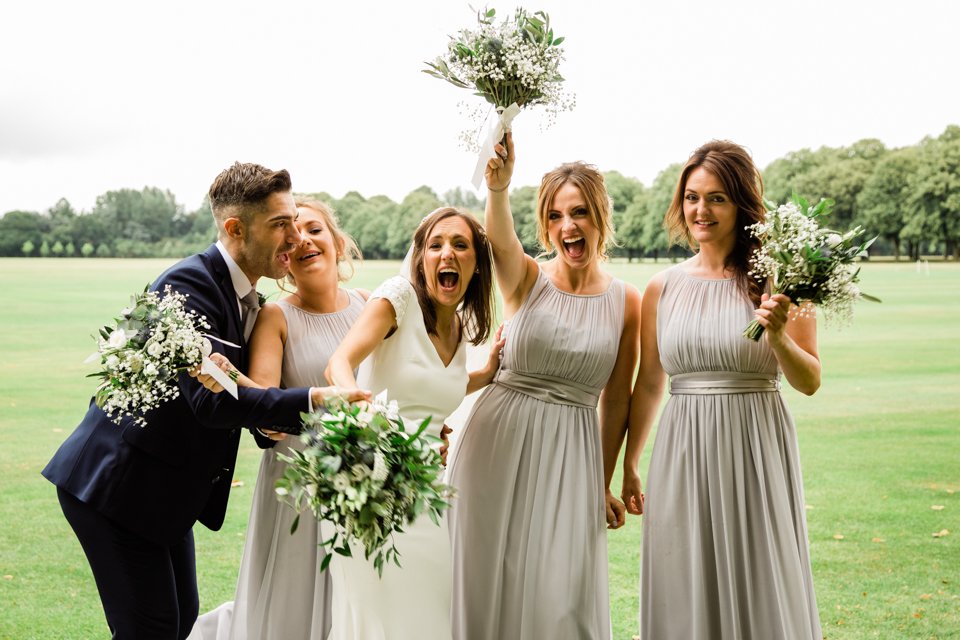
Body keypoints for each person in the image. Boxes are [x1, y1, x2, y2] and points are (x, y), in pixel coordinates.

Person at [42, 163, 367, 640]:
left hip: (165, 494)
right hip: (117, 489)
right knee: (152, 628)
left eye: (296, 221)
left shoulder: (242, 294)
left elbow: (241, 395)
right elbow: (212, 403)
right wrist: (317, 398)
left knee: (182, 622)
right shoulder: (189, 285)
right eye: (281, 224)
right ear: (236, 229)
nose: (295, 238)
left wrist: (266, 423)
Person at [622, 140, 822, 639]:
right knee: (683, 574)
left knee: (759, 569)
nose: (700, 210)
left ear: (741, 205)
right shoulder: (661, 287)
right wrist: (628, 463)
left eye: (716, 198)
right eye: (692, 197)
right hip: (682, 448)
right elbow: (649, 384)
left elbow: (810, 380)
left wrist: (777, 335)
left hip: (755, 445)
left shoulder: (783, 278)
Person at [445, 133, 642, 639]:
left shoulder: (627, 302)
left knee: (562, 595)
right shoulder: (526, 279)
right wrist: (499, 189)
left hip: (572, 454)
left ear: (600, 217)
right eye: (555, 216)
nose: (567, 226)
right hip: (498, 443)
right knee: (486, 579)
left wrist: (602, 479)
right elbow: (500, 238)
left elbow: (617, 398)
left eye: (579, 213)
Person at [187, 200, 366, 640]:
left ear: (338, 243)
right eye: (293, 234)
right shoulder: (276, 316)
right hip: (299, 481)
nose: (303, 239)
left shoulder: (369, 305)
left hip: (367, 475)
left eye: (316, 230)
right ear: (283, 257)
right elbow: (262, 400)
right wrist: (229, 379)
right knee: (295, 599)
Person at [323, 206, 502, 640]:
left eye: (460, 245)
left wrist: (489, 371)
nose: (447, 254)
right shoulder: (397, 299)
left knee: (428, 612)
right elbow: (339, 364)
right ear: (420, 257)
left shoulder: (459, 327)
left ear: (477, 265)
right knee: (382, 617)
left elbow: (438, 387)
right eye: (436, 244)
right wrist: (363, 408)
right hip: (373, 485)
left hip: (428, 490)